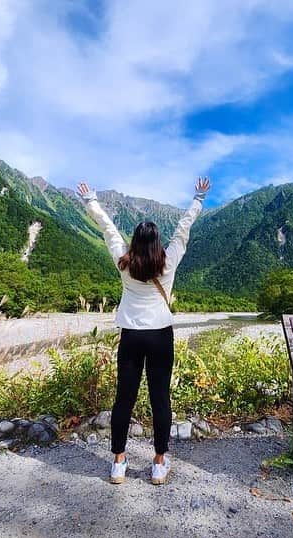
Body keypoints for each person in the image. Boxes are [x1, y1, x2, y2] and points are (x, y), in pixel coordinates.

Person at [76, 177, 211, 485]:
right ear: (157, 242)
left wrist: (90, 201)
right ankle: (159, 463)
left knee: (124, 399)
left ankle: (119, 463)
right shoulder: (169, 261)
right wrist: (198, 199)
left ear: (134, 242)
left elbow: (108, 229)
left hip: (131, 337)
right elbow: (183, 230)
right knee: (160, 399)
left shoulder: (124, 263)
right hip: (161, 335)